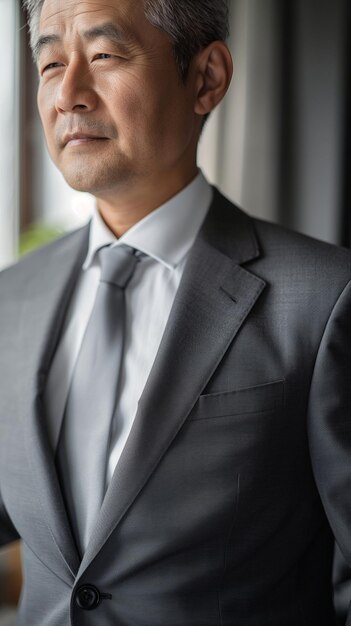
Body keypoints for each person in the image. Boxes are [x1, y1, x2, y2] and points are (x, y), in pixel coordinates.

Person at [0, 0, 350, 624]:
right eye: (51, 63)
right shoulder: (12, 296)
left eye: (104, 55)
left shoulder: (326, 298)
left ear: (207, 78)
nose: (69, 94)